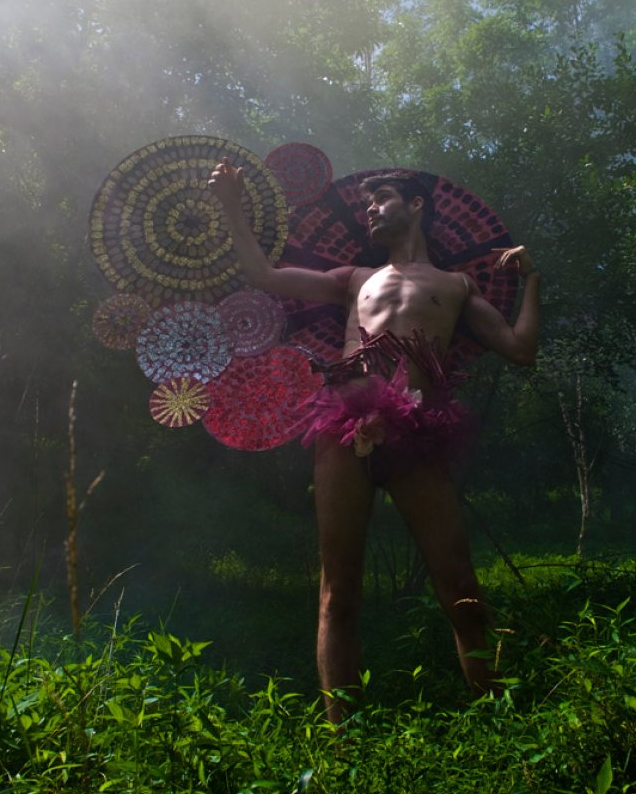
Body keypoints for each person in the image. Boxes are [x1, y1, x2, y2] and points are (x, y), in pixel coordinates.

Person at [209, 160, 541, 722]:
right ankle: (345, 743)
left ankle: (501, 722)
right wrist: (231, 207)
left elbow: (520, 349)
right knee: (339, 590)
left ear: (416, 205)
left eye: (382, 197)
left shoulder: (457, 286)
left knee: (459, 584)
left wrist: (532, 280)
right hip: (344, 424)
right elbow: (264, 277)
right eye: (366, 203)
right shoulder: (354, 278)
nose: (370, 208)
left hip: (419, 429)